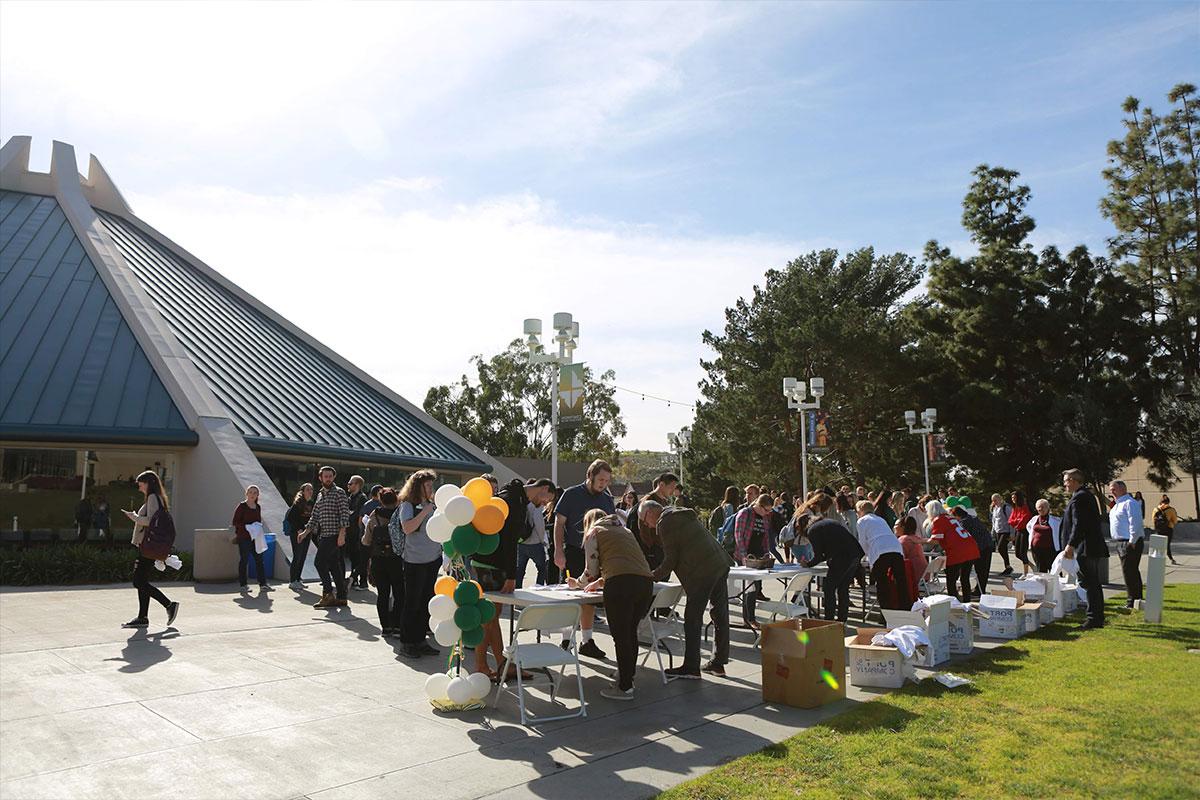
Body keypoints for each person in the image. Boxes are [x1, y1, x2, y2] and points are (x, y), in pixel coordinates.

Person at [473, 477, 556, 679]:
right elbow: (510, 542)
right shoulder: (514, 501)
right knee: (487, 618)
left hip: (488, 561)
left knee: (492, 617)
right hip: (491, 564)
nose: (545, 504)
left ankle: (503, 665)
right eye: (547, 499)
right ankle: (482, 666)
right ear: (543, 489)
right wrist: (512, 575)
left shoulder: (513, 496)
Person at [570, 511, 653, 701]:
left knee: (621, 636)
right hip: (645, 583)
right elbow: (625, 562)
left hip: (620, 585)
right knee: (630, 633)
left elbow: (591, 569)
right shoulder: (625, 531)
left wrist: (579, 583)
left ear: (588, 522)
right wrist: (600, 582)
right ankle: (627, 676)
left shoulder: (594, 532)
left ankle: (624, 688)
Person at [650, 502, 733, 679]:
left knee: (692, 619)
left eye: (645, 521)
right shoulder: (683, 515)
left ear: (650, 513)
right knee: (720, 614)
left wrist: (651, 576)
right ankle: (718, 664)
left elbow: (671, 559)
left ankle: (691, 667)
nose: (648, 526)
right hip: (719, 563)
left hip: (702, 572)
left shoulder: (665, 522)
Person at [552, 459, 616, 659]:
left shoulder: (607, 499)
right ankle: (566, 639)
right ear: (590, 476)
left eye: (607, 481)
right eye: (600, 480)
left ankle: (587, 641)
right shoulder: (571, 494)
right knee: (570, 596)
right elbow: (559, 523)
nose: (603, 484)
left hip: (597, 554)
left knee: (589, 598)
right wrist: (558, 551)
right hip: (573, 551)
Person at [121, 470, 180, 628]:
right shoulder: (157, 498)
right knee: (142, 581)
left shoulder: (153, 497)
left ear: (149, 483)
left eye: (141, 484)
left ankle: (169, 605)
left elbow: (150, 521)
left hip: (148, 545)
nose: (139, 487)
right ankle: (142, 617)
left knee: (138, 581)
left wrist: (133, 517)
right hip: (148, 545)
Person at [793, 494, 863, 622]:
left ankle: (829, 620)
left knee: (829, 588)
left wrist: (807, 564)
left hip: (842, 557)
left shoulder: (812, 530)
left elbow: (819, 555)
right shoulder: (827, 522)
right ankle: (842, 620)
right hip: (855, 554)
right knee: (843, 589)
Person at [397, 469, 442, 659]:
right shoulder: (408, 505)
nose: (432, 488)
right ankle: (407, 642)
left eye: (432, 485)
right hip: (415, 561)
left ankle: (421, 640)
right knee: (412, 603)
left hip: (433, 559)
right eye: (428, 485)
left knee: (426, 602)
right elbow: (407, 528)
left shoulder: (432, 505)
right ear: (418, 487)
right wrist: (424, 511)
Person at [1060, 469, 1108, 629]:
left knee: (1089, 582)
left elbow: (1079, 524)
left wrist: (1071, 544)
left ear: (1074, 480)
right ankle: (1096, 617)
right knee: (1091, 582)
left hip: (1085, 548)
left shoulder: (1080, 498)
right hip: (1088, 546)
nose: (1064, 484)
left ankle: (1094, 618)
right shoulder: (1084, 496)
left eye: (1066, 480)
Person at [304, 466, 350, 609]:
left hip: (334, 535)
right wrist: (305, 532)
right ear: (321, 478)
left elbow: (344, 514)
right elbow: (315, 516)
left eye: (330, 476)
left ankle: (328, 594)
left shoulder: (339, 492)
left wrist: (342, 534)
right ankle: (342, 597)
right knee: (334, 566)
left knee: (319, 562)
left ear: (333, 477)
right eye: (326, 476)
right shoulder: (320, 495)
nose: (328, 478)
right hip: (324, 535)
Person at [362, 488, 403, 636]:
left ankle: (385, 628)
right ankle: (397, 626)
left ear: (381, 500)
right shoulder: (400, 515)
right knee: (399, 594)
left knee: (383, 594)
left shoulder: (375, 515)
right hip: (396, 559)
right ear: (396, 499)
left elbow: (366, 541)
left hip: (378, 560)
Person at [855, 501, 910, 610]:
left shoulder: (861, 521)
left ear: (860, 511)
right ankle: (906, 608)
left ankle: (885, 611)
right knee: (901, 582)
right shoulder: (880, 519)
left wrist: (867, 557)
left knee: (882, 583)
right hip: (896, 547)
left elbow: (862, 542)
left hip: (880, 550)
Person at [732, 494, 775, 627]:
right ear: (759, 505)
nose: (768, 513)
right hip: (745, 556)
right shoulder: (745, 513)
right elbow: (738, 535)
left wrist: (767, 552)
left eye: (769, 510)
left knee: (755, 588)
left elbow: (766, 536)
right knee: (750, 589)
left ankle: (750, 618)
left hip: (759, 556)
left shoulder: (764, 517)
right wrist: (744, 556)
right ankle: (749, 619)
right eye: (766, 510)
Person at [926, 499, 979, 603]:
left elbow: (935, 541)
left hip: (958, 551)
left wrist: (919, 541)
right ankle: (966, 602)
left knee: (951, 579)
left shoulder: (938, 520)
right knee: (965, 578)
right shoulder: (950, 517)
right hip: (970, 547)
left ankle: (953, 603)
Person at [1108, 480, 1144, 609]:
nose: (1111, 491)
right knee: (1129, 571)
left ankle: (1132, 600)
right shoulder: (1117, 505)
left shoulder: (1130, 503)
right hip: (1120, 541)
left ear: (1123, 489)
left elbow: (1135, 522)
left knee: (1129, 571)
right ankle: (1136, 599)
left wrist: (1132, 541)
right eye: (1110, 489)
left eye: (1114, 488)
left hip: (1129, 542)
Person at [516, 479, 555, 587]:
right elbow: (539, 524)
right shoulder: (536, 504)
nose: (546, 502)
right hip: (535, 543)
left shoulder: (524, 503)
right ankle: (538, 587)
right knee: (541, 568)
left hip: (521, 542)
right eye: (548, 499)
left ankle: (517, 590)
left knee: (520, 570)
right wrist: (543, 540)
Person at [232, 485, 268, 592]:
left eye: (255, 493)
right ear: (246, 493)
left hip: (255, 538)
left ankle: (263, 584)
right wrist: (248, 527)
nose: (252, 495)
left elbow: (258, 521)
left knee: (259, 560)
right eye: (251, 492)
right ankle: (243, 585)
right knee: (244, 559)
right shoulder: (242, 506)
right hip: (244, 537)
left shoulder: (258, 507)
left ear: (257, 495)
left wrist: (256, 527)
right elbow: (235, 522)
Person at [953, 505, 994, 597]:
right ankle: (980, 589)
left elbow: (964, 537)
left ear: (957, 515)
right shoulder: (972, 518)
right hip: (987, 544)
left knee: (980, 569)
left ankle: (979, 591)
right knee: (983, 570)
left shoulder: (964, 522)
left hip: (981, 547)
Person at [628, 473, 677, 544]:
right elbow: (643, 531)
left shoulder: (665, 502)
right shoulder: (647, 501)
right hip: (650, 548)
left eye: (674, 488)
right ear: (662, 485)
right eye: (671, 488)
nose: (673, 492)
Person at [285, 483, 314, 590]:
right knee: (297, 556)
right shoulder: (298, 503)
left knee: (302, 557)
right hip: (297, 534)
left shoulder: (311, 503)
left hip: (307, 533)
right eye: (307, 489)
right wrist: (299, 530)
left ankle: (298, 579)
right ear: (302, 491)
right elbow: (290, 517)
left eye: (311, 489)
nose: (310, 491)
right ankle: (292, 581)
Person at [1025, 499, 1062, 574]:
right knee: (1041, 572)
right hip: (1037, 550)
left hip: (1051, 550)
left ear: (1048, 508)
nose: (1041, 509)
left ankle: (1055, 585)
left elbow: (1061, 531)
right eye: (1039, 507)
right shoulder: (1034, 519)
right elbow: (1028, 527)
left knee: (1054, 570)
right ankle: (1042, 585)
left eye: (1043, 507)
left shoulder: (1055, 520)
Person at [344, 476, 368, 591]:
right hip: (350, 533)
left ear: (357, 484)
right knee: (353, 557)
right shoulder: (350, 498)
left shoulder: (362, 498)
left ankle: (363, 581)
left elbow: (358, 515)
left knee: (360, 557)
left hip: (359, 533)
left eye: (350, 483)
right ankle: (355, 580)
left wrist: (349, 516)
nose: (348, 485)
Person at [1008, 491, 1034, 576]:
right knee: (1017, 554)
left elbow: (1025, 519)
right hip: (1018, 530)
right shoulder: (1015, 507)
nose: (1013, 500)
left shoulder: (1024, 506)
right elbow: (1010, 520)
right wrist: (1017, 521)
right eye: (1012, 498)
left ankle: (1025, 573)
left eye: (1014, 498)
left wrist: (1016, 521)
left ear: (1019, 498)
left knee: (1023, 552)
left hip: (1025, 531)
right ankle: (1033, 566)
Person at [990, 493, 1015, 576]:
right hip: (998, 531)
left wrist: (1012, 533)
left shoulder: (1006, 507)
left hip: (1006, 531)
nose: (994, 502)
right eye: (993, 500)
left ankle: (1008, 567)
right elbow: (994, 521)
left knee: (1001, 548)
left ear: (1000, 499)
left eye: (995, 500)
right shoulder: (994, 508)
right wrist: (993, 532)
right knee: (1002, 549)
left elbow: (1011, 521)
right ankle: (1008, 567)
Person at [896, 516, 927, 580]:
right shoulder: (915, 538)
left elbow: (899, 559)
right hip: (924, 576)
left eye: (896, 525)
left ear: (902, 527)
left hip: (914, 576)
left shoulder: (903, 540)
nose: (894, 527)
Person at [1153, 495, 1179, 564]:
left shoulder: (1156, 509)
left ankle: (1158, 560)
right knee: (1167, 545)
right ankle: (1171, 559)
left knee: (1159, 545)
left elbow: (1153, 519)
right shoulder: (1171, 510)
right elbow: (1175, 521)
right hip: (1168, 529)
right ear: (1168, 502)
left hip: (1158, 529)